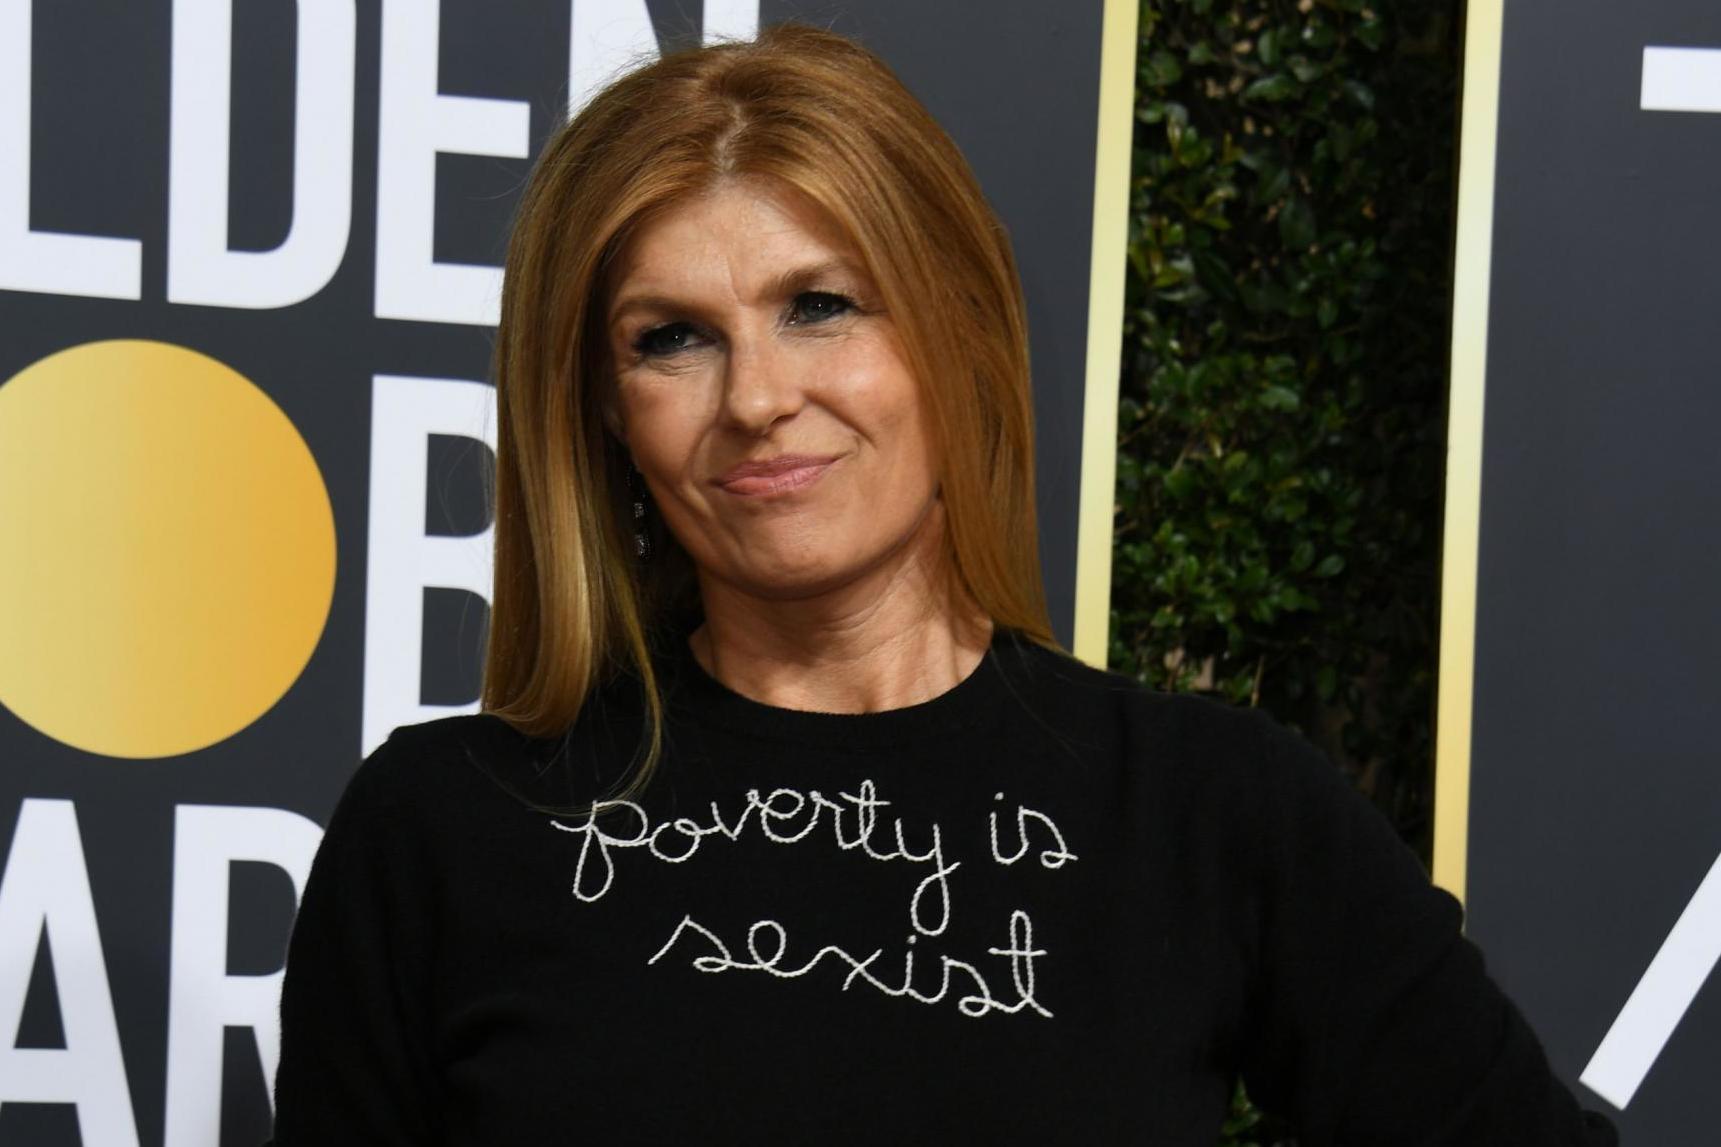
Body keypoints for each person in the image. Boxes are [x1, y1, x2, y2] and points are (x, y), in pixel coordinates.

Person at [267, 23, 1619, 1146]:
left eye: (821, 305)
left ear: (954, 333)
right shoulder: (441, 828)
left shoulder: (1208, 812)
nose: (756, 399)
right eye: (669, 339)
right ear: (606, 415)